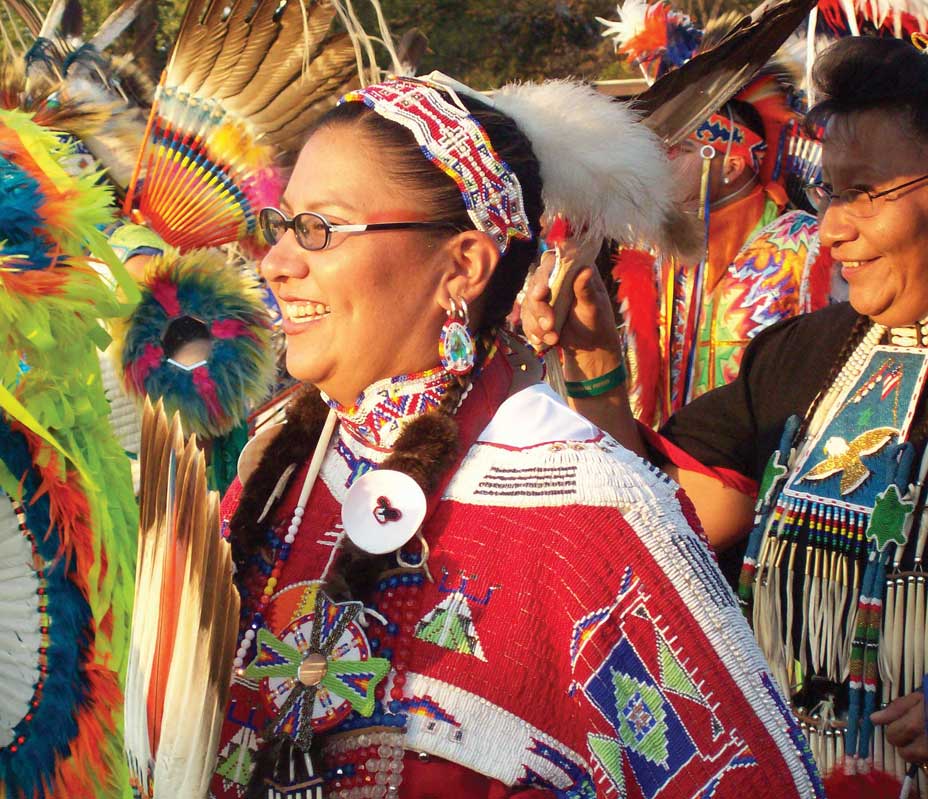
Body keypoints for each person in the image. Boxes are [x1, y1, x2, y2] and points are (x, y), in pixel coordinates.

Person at [206, 75, 823, 799]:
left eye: (320, 230)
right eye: (282, 225)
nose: (276, 262)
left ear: (463, 266)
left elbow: (749, 781)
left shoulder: (590, 515)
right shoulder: (281, 468)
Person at [523, 34, 928, 794]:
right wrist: (595, 373)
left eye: (865, 191)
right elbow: (670, 522)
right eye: (831, 191)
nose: (833, 226)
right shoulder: (803, 357)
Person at [599, 2, 831, 427]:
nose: (661, 161)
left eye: (680, 149)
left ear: (732, 163)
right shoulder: (649, 246)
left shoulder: (810, 245)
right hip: (666, 466)